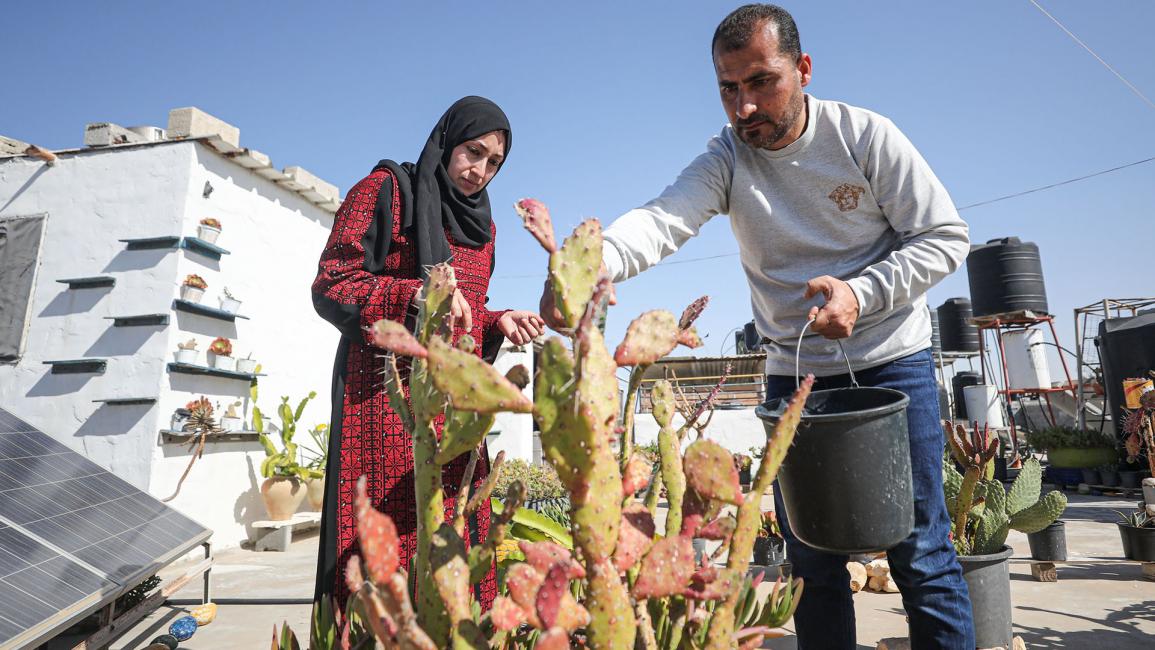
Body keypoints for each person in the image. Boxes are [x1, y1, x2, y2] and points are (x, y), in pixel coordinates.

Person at [540, 5, 974, 648]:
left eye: (761, 82)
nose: (744, 108)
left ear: (802, 69)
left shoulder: (864, 136)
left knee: (921, 551)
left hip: (892, 365)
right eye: (727, 88)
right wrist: (586, 266)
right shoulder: (728, 159)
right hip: (791, 375)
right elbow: (664, 219)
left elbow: (945, 237)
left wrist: (861, 293)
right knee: (811, 565)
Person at [312, 96, 544, 611]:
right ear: (447, 141)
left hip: (455, 413)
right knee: (378, 553)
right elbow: (332, 284)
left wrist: (495, 319)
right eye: (472, 151)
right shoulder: (387, 191)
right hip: (381, 404)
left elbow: (461, 319)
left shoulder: (485, 230)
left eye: (493, 163)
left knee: (455, 542)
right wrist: (416, 295)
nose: (479, 170)